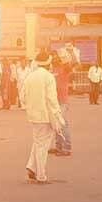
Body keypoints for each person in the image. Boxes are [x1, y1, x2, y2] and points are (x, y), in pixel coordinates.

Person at [21, 50, 63, 184]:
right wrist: (57, 114)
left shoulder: (30, 77)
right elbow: (52, 99)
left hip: (33, 115)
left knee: (38, 141)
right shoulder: (48, 77)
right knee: (42, 146)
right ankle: (41, 175)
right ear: (48, 63)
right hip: (45, 115)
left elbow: (22, 97)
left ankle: (31, 168)